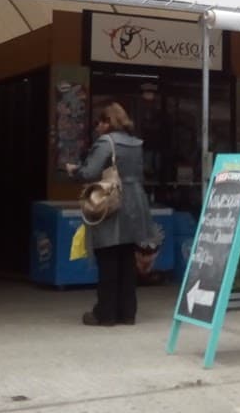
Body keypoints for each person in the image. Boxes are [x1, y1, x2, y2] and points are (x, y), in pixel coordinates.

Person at [67, 103, 154, 327]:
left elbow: (91, 172)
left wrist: (74, 170)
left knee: (107, 257)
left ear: (108, 122)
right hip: (135, 202)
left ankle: (105, 313)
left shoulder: (107, 142)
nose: (97, 127)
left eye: (100, 122)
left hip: (111, 201)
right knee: (126, 257)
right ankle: (127, 312)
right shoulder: (136, 143)